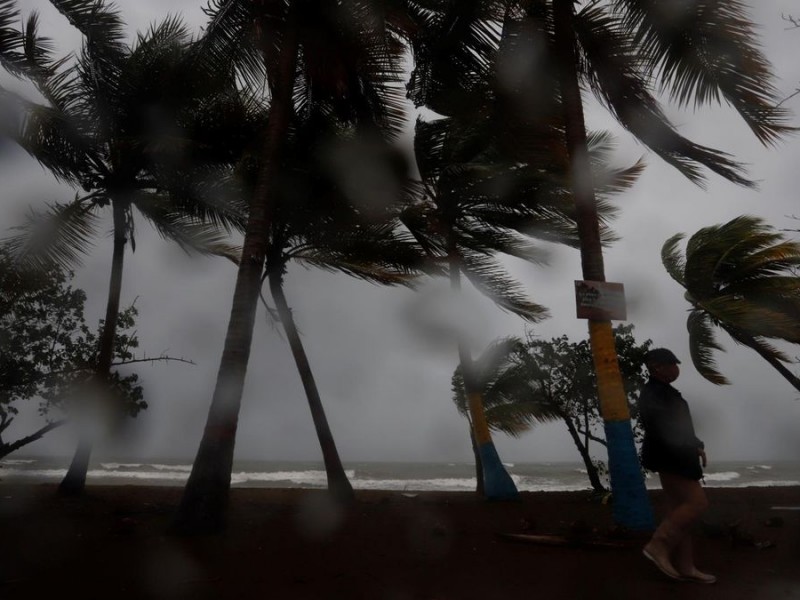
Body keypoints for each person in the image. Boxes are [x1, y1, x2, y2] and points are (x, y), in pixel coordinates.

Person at [638, 347, 716, 584]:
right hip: (672, 459)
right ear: (657, 368)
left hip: (676, 456)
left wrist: (696, 444)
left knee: (680, 512)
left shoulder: (664, 392)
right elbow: (665, 429)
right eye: (672, 364)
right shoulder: (654, 394)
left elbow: (679, 426)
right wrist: (688, 447)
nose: (676, 368)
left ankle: (686, 566)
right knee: (697, 503)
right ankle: (658, 544)